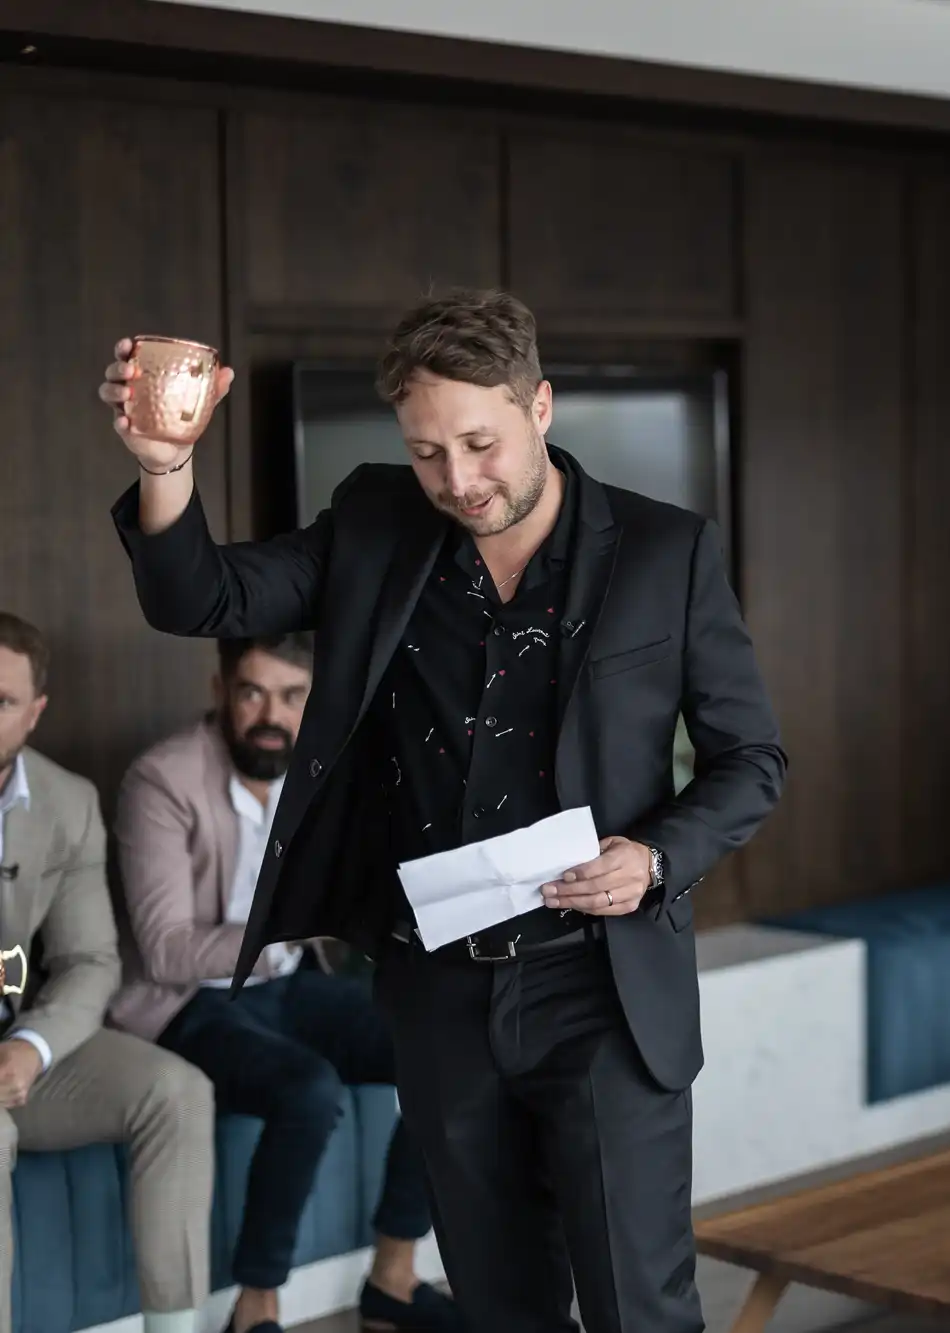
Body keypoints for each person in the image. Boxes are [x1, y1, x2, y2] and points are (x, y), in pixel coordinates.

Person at [100, 288, 787, 1333]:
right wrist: (163, 466)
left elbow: (752, 761)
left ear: (540, 407)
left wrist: (654, 855)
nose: (457, 481)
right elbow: (205, 600)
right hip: (437, 990)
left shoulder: (667, 552)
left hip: (601, 984)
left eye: (480, 443)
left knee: (638, 1309)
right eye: (428, 452)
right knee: (501, 1312)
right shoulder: (379, 519)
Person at [109, 633, 455, 1333]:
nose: (272, 713)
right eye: (252, 692)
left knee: (445, 1052)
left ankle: (392, 1278)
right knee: (309, 1088)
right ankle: (256, 1304)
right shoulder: (161, 780)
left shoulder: (323, 773)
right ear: (220, 692)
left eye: (293, 696)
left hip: (291, 981)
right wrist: (298, 926)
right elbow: (165, 949)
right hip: (186, 1002)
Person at [0, 611, 216, 1333]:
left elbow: (90, 960)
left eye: (1, 701)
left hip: (15, 1048)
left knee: (176, 1091)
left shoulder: (66, 802)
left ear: (34, 713)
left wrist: (32, 1047)